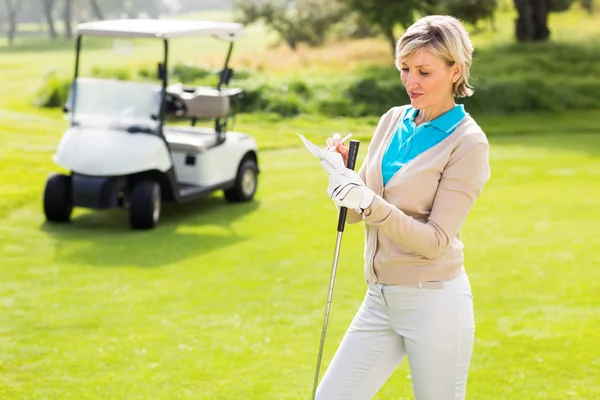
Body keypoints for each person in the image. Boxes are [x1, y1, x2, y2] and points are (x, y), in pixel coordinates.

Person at [315, 15, 491, 400]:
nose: (411, 82)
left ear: (455, 70)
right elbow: (359, 210)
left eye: (424, 72)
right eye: (405, 69)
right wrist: (343, 176)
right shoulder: (392, 120)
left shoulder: (468, 144)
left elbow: (434, 242)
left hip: (434, 304)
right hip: (379, 299)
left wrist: (368, 201)